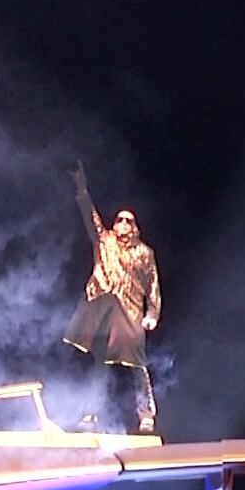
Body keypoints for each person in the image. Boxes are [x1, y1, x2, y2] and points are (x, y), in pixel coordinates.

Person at [61, 160, 163, 434]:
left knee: (137, 365)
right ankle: (91, 413)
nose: (122, 224)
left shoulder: (144, 253)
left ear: (135, 227)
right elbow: (89, 216)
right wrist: (81, 187)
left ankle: (146, 414)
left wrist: (153, 314)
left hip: (130, 315)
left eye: (127, 221)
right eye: (118, 220)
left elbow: (153, 284)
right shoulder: (105, 242)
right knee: (99, 366)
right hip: (106, 312)